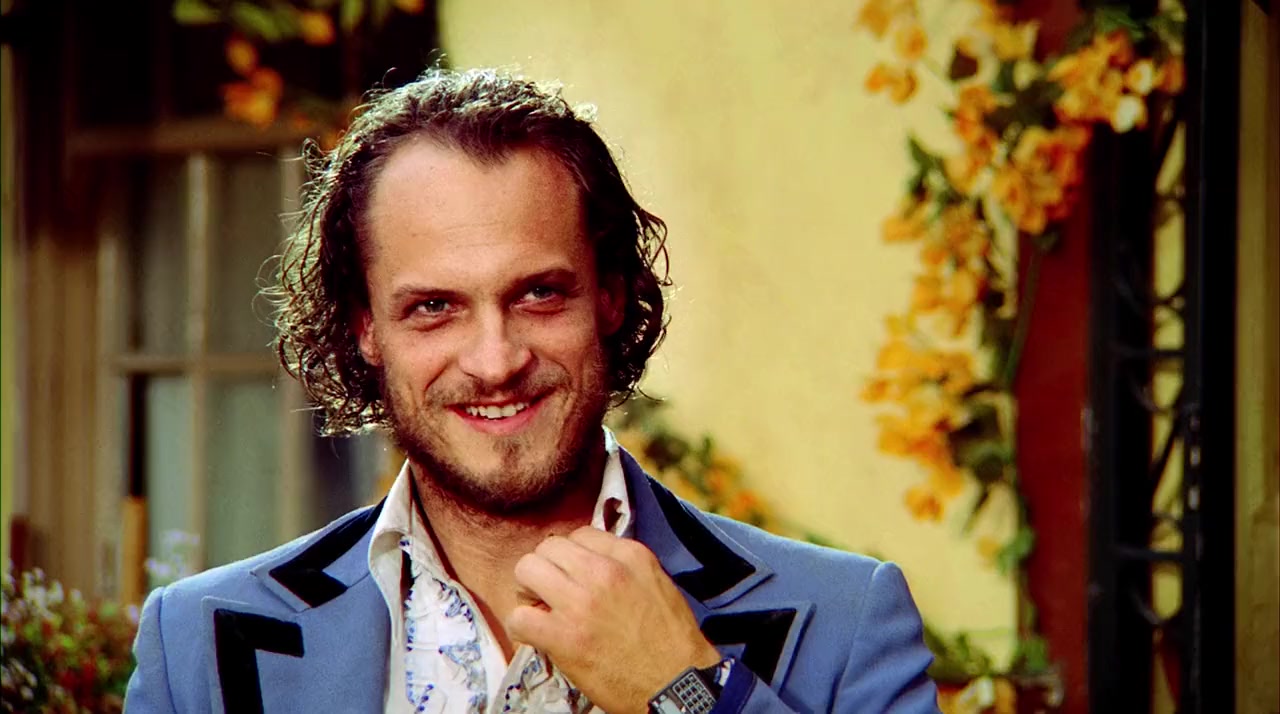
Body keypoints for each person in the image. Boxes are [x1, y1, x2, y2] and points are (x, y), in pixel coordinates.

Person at [124, 68, 940, 714]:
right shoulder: (197, 645)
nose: (495, 361)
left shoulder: (846, 619)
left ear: (611, 298)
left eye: (540, 294)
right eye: (434, 307)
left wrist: (687, 694)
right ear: (366, 329)